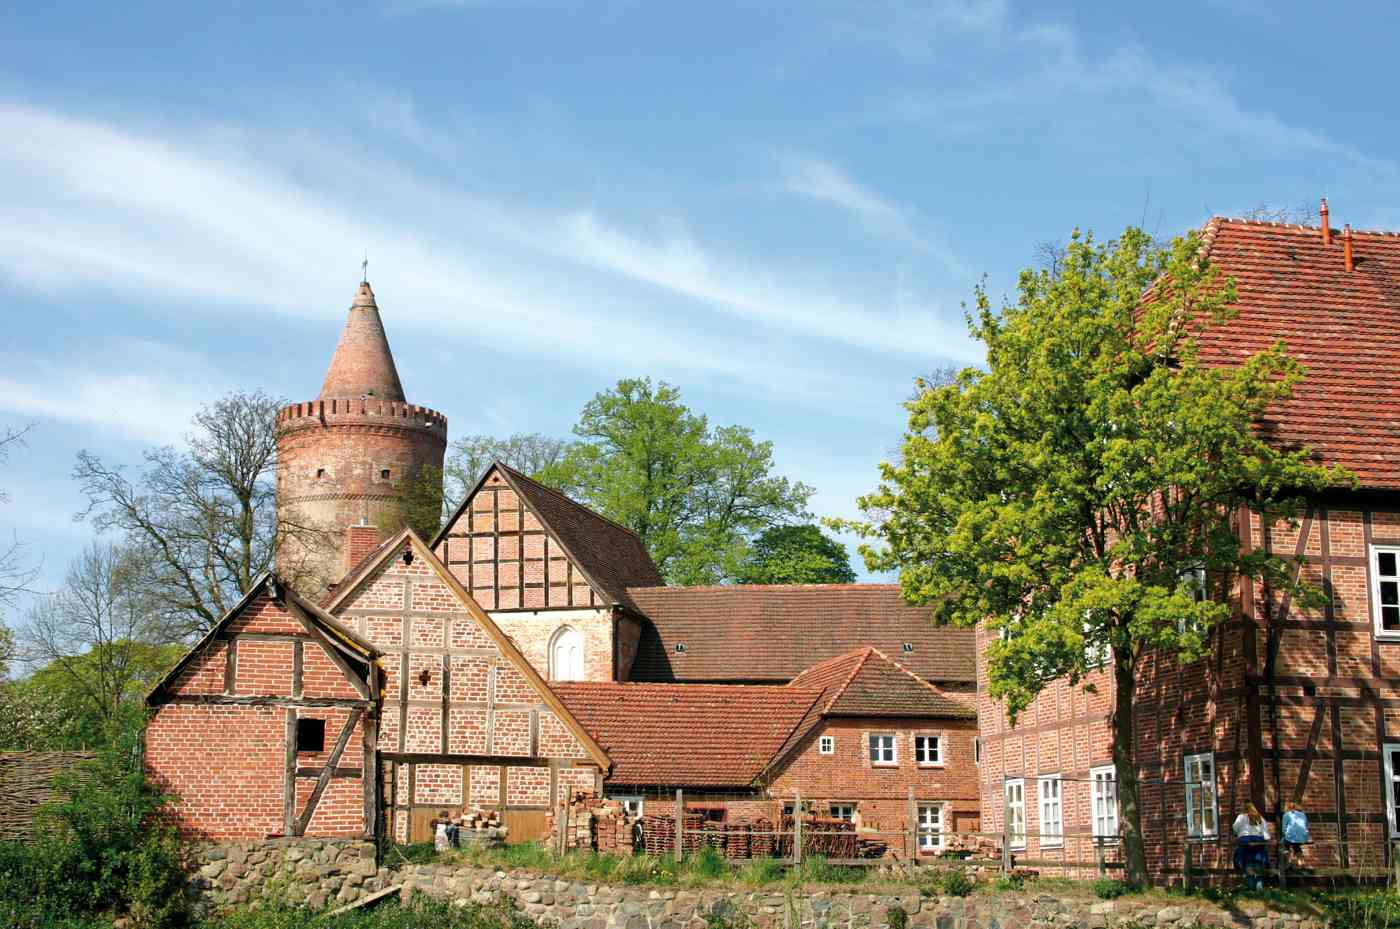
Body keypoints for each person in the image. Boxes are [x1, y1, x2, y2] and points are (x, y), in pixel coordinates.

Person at [1232, 803, 1271, 889]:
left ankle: (1251, 886)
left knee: (1247, 862)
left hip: (1246, 840)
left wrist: (1237, 834)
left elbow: (1235, 827)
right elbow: (1266, 833)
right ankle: (1259, 883)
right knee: (1258, 862)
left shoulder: (1241, 816)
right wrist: (1266, 840)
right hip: (1259, 840)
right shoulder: (1260, 817)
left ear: (1244, 809)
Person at [1282, 801, 1309, 866]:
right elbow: (1306, 825)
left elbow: (1283, 829)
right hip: (1303, 837)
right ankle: (1301, 862)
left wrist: (1285, 834)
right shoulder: (1303, 814)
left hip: (1291, 837)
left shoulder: (1286, 815)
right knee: (1296, 846)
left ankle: (1289, 861)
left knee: (1284, 844)